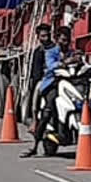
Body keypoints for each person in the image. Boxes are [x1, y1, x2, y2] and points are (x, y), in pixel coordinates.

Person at [21, 26, 78, 158]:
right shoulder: (50, 52)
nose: (65, 43)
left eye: (68, 40)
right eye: (63, 40)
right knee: (49, 108)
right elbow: (51, 65)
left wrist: (79, 61)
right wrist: (63, 62)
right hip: (52, 84)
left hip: (68, 83)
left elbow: (80, 63)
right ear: (57, 39)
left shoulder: (72, 52)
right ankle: (35, 144)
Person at [28, 23, 54, 133]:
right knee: (36, 93)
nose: (46, 38)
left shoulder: (55, 49)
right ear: (38, 37)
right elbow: (36, 73)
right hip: (44, 80)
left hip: (57, 78)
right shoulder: (38, 52)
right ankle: (34, 121)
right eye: (43, 36)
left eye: (47, 35)